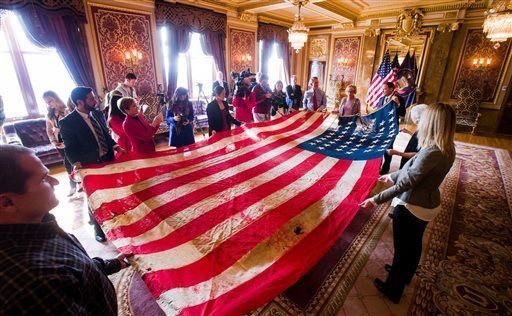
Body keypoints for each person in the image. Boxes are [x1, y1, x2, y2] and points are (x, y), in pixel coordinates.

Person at [0, 145, 131, 315]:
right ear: (7, 203)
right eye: (43, 179)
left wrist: (110, 264)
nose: (55, 182)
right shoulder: (33, 283)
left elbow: (75, 266)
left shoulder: (37, 223)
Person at [359, 103, 456, 304]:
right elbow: (415, 170)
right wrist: (392, 175)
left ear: (432, 122)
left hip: (413, 206)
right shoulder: (446, 147)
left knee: (403, 250)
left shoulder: (432, 151)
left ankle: (393, 289)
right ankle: (403, 275)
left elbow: (408, 182)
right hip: (427, 203)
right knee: (413, 246)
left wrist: (375, 199)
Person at [60, 86, 126, 242]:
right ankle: (98, 228)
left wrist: (115, 146)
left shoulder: (96, 114)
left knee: (111, 191)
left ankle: (113, 218)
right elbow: (70, 148)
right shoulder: (67, 122)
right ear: (79, 102)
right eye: (91, 99)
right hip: (89, 165)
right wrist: (76, 164)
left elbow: (104, 133)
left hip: (107, 160)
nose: (95, 101)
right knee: (94, 197)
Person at [43, 91, 76, 197]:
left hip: (69, 141)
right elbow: (49, 130)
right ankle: (76, 183)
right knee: (69, 164)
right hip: (58, 142)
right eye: (46, 102)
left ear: (55, 99)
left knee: (70, 163)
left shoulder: (66, 111)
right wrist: (54, 142)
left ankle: (74, 185)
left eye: (50, 101)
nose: (48, 104)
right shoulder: (49, 115)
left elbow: (73, 127)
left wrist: (66, 142)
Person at [379, 82, 406, 175]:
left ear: (391, 89)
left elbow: (403, 113)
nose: (382, 91)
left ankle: (385, 168)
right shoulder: (381, 99)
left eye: (385, 89)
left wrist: (398, 103)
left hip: (392, 128)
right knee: (379, 146)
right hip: (381, 128)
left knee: (388, 147)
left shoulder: (399, 98)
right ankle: (377, 166)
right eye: (382, 89)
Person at [107, 91, 131, 158]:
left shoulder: (122, 115)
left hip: (129, 141)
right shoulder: (113, 119)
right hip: (124, 144)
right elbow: (125, 131)